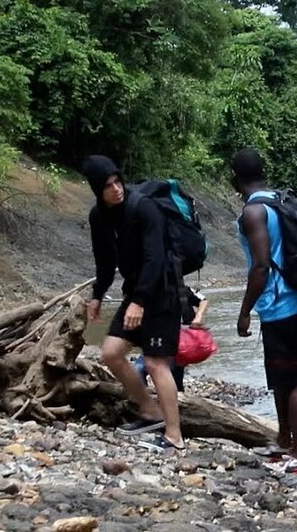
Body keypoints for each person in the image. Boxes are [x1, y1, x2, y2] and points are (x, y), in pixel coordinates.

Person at [83, 155, 184, 452]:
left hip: (161, 291)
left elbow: (155, 258)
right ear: (97, 191)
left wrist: (139, 302)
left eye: (118, 182)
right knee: (111, 353)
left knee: (155, 362)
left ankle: (174, 435)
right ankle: (149, 411)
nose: (116, 189)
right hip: (136, 293)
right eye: (108, 186)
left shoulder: (144, 207)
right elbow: (105, 261)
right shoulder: (98, 217)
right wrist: (97, 295)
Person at [232, 148, 297, 475]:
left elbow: (261, 265)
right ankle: (284, 440)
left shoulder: (254, 212)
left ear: (234, 178)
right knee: (281, 374)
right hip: (296, 297)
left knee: (294, 377)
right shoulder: (280, 201)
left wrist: (244, 312)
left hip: (281, 304)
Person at [134, 286, 209, 392]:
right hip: (158, 340)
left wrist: (199, 316)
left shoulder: (184, 290)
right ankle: (146, 400)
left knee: (175, 376)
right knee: (139, 369)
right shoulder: (147, 293)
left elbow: (203, 300)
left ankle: (176, 400)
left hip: (181, 342)